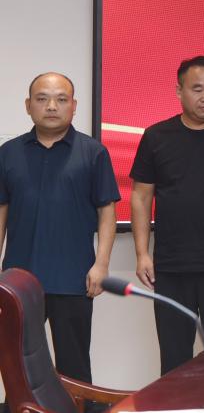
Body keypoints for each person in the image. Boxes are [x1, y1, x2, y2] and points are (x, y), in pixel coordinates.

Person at [129, 56, 204, 374]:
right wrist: (142, 253)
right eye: (197, 89)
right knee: (174, 359)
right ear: (179, 91)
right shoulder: (157, 136)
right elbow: (141, 197)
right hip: (172, 267)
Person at [0, 73, 120, 383]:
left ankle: (78, 406)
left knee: (74, 366)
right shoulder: (8, 153)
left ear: (74, 106)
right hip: (19, 280)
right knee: (18, 367)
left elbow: (107, 211)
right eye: (42, 99)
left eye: (61, 99)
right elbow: (1, 211)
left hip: (73, 278)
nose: (52, 106)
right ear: (28, 105)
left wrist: (102, 264)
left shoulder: (93, 152)